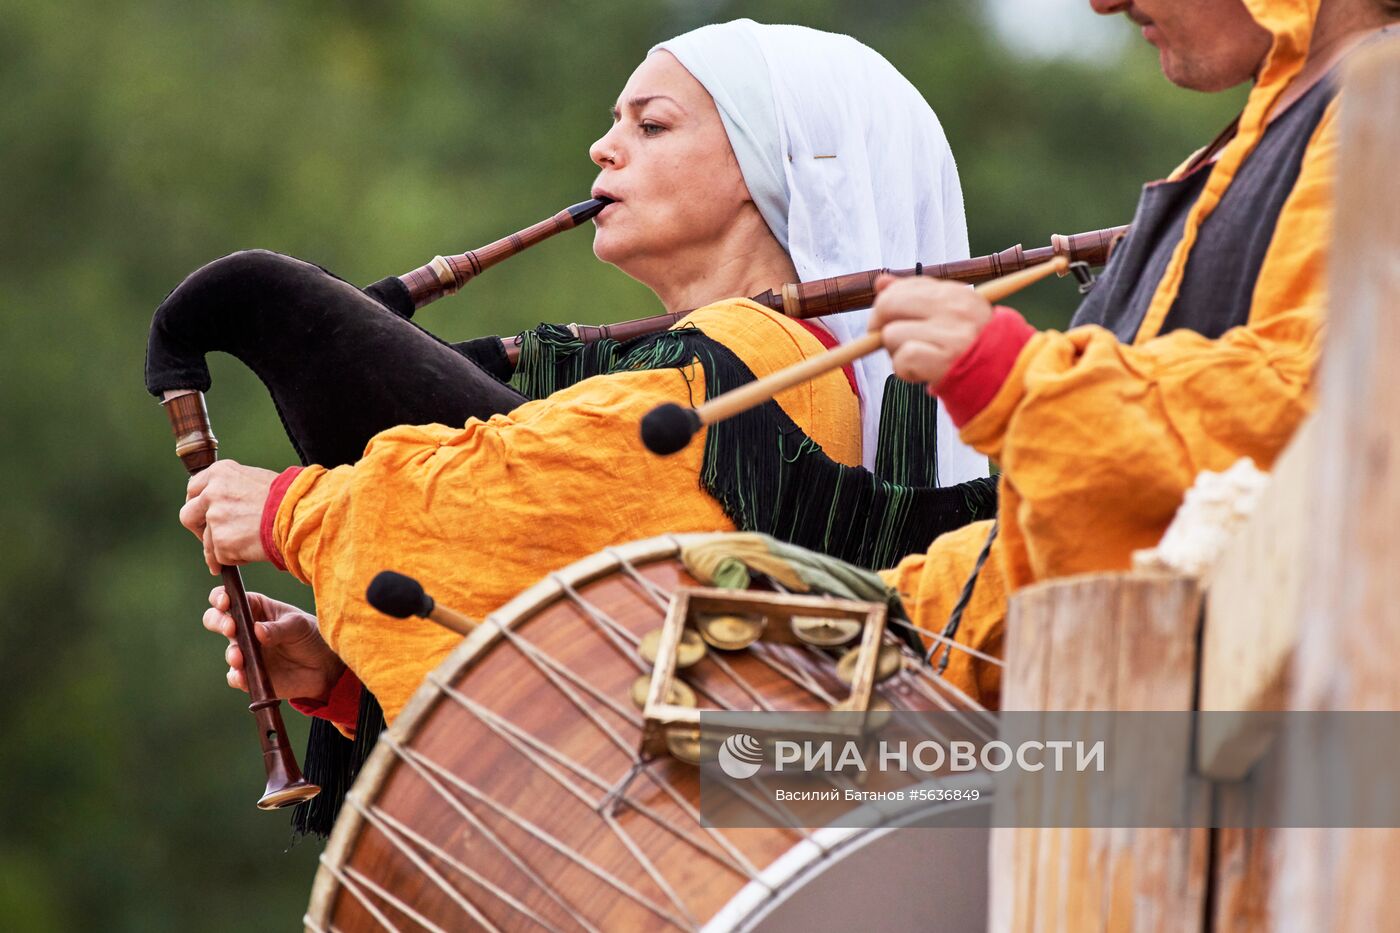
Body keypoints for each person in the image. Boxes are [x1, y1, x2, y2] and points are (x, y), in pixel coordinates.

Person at [162, 20, 996, 828]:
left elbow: (519, 492)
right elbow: (597, 684)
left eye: (652, 124)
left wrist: (289, 511)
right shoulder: (745, 358)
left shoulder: (753, 354)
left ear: (765, 165)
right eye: (611, 123)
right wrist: (343, 681)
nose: (604, 148)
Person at [870, 0, 1399, 707]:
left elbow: (1325, 423)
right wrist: (863, 618)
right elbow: (1100, 534)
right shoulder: (1228, 159)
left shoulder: (1383, 119)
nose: (1103, 2)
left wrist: (1020, 381)